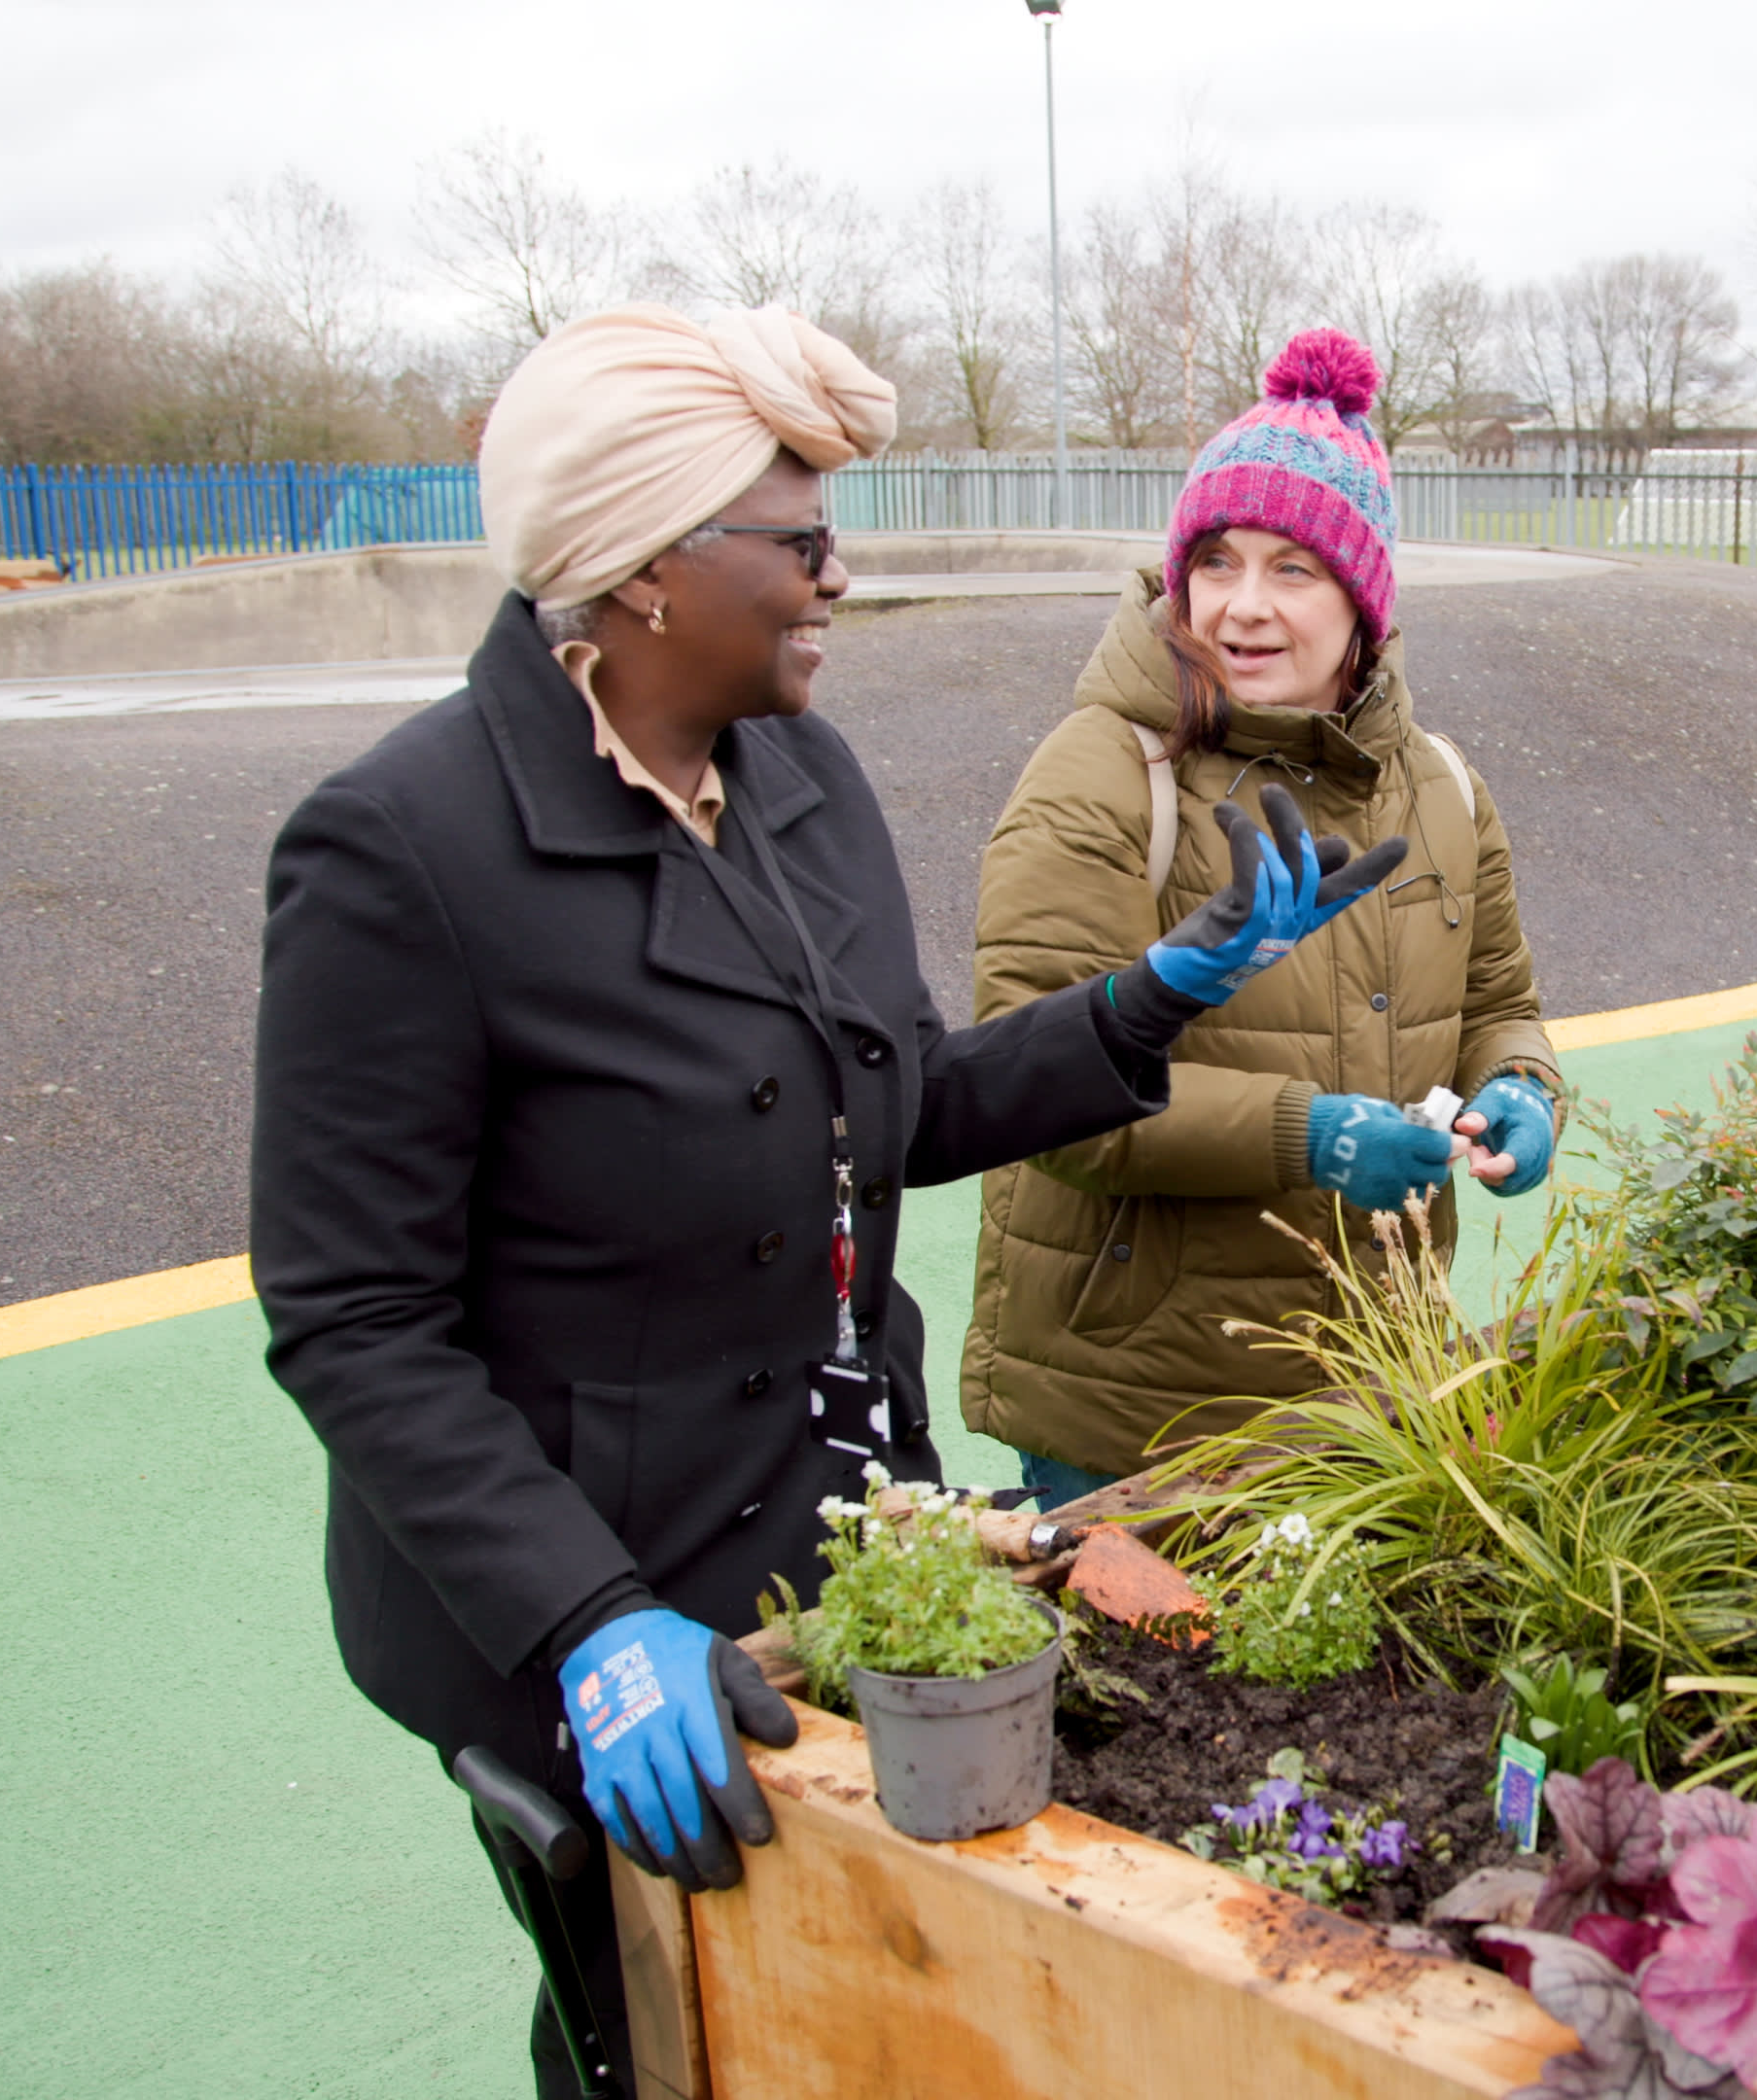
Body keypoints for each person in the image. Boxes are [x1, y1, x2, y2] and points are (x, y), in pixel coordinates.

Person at [250, 303, 1400, 2098]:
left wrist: (1148, 1000)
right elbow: (353, 1320)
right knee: (660, 2033)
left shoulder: (800, 775)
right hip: (585, 1595)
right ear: (643, 572)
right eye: (799, 543)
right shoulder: (402, 850)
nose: (836, 577)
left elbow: (891, 1104)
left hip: (834, 1528)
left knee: (869, 2019)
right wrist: (585, 1619)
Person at [961, 330, 1563, 1503]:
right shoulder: (1099, 772)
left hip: (1369, 1378)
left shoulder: (1439, 783)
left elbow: (1501, 1001)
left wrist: (1524, 1087)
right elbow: (1030, 1095)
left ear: (1364, 599)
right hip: (1131, 1401)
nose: (1241, 606)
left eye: (1293, 568)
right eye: (1218, 561)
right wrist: (1313, 1134)